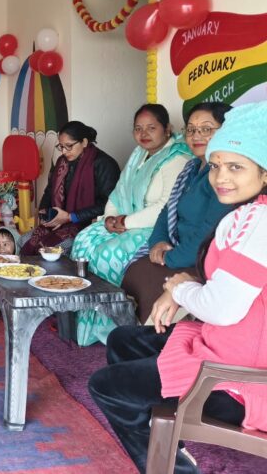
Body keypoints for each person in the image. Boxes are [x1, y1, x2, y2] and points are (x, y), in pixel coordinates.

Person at [88, 101, 267, 474]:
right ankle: (166, 438)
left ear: (264, 174)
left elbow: (220, 308)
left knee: (107, 386)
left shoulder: (260, 224)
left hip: (240, 379)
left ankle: (173, 466)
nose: (221, 177)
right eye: (218, 165)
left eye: (236, 167)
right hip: (227, 345)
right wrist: (179, 287)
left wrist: (181, 287)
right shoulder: (249, 212)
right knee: (125, 339)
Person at [72, 104, 191, 345]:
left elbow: (165, 206)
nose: (144, 134)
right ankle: (85, 324)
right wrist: (110, 218)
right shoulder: (139, 154)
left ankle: (111, 330)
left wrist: (126, 221)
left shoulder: (177, 158)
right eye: (138, 128)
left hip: (154, 227)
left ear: (167, 129)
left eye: (151, 128)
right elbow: (119, 192)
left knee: (106, 254)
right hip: (126, 222)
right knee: (83, 241)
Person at [122, 102, 234, 323]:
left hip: (202, 258)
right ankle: (137, 336)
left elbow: (209, 231)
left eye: (206, 129)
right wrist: (158, 242)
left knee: (149, 277)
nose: (196, 135)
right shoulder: (191, 168)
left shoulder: (226, 175)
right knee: (138, 269)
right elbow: (167, 210)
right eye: (191, 129)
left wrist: (171, 257)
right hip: (177, 250)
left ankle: (157, 342)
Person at [20, 121, 121, 256]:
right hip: (60, 222)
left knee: (54, 250)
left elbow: (108, 204)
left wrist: (70, 217)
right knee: (23, 240)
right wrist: (44, 213)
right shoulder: (62, 162)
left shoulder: (105, 164)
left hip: (86, 225)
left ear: (84, 142)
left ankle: (46, 277)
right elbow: (50, 190)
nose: (63, 152)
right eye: (61, 146)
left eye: (69, 146)